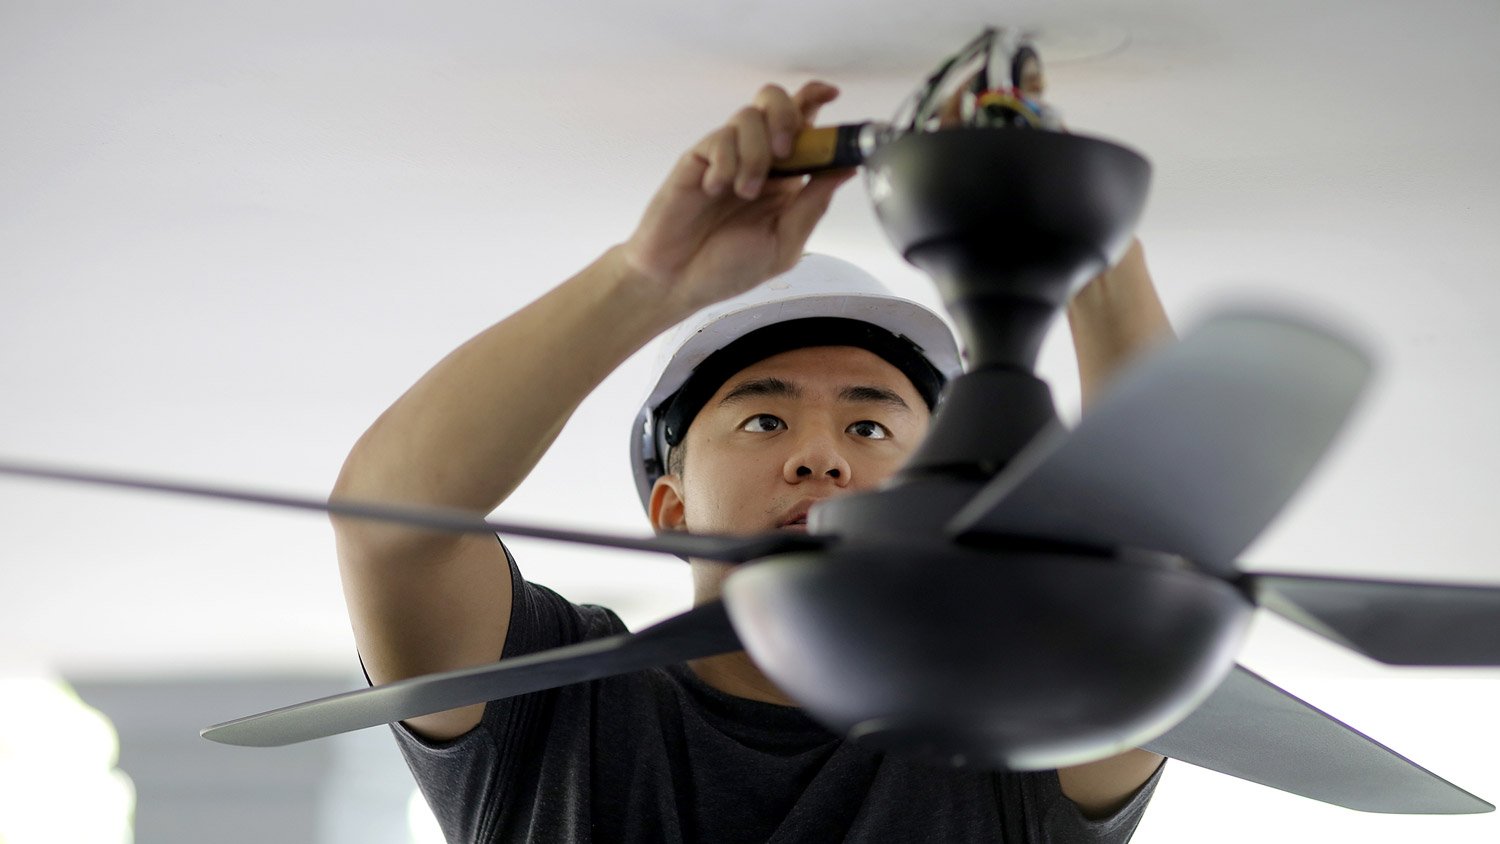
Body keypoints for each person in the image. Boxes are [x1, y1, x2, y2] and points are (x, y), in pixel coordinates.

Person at [331, 81, 1173, 842]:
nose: (819, 459)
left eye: (871, 429)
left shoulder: (1015, 722)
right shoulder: (554, 706)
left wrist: (1086, 247)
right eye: (765, 420)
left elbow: (1160, 585)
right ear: (671, 508)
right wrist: (646, 280)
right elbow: (392, 529)